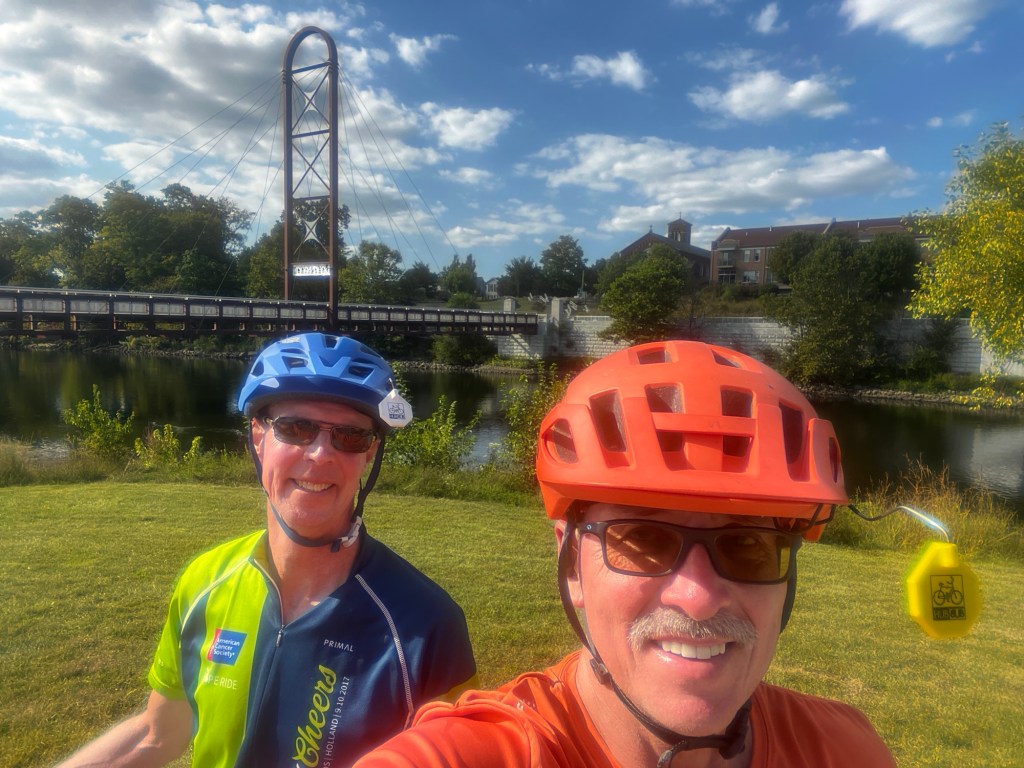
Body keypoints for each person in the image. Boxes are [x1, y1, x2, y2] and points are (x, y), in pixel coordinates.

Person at [353, 340, 896, 767]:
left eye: (748, 546)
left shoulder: (848, 751)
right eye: (643, 540)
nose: (699, 598)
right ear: (571, 564)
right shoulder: (477, 754)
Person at [57, 331, 478, 768]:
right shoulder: (204, 582)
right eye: (296, 428)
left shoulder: (425, 626)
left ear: (369, 453)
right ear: (258, 436)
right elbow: (157, 734)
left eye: (350, 436)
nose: (320, 454)